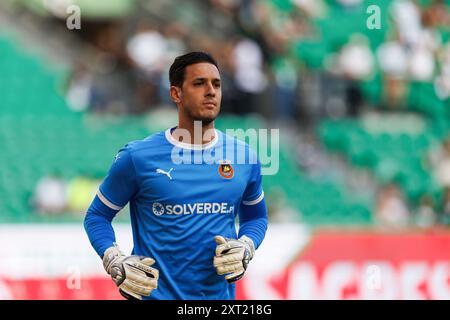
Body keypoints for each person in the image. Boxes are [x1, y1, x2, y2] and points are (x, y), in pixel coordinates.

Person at [84, 52, 268, 300]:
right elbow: (97, 216)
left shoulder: (244, 157)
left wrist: (246, 246)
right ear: (175, 94)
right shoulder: (138, 157)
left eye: (216, 84)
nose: (211, 91)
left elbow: (256, 217)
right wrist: (114, 260)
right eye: (199, 83)